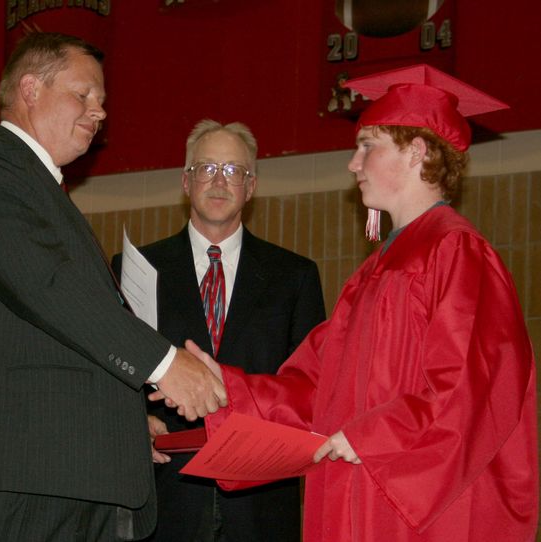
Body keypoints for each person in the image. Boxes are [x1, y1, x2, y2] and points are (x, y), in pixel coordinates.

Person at [179, 65, 539, 541]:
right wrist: (222, 385)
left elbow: (469, 394)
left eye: (369, 145)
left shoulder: (457, 253)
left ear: (417, 151)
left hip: (419, 513)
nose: (353, 163)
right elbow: (314, 386)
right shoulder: (372, 274)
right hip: (359, 494)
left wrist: (371, 434)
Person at [0, 32, 225, 542]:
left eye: (103, 102)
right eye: (84, 95)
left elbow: (63, 335)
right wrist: (164, 364)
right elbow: (46, 286)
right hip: (30, 476)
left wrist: (124, 428)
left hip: (72, 475)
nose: (99, 111)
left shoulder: (39, 188)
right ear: (30, 89)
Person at [112, 119, 326, 542]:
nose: (219, 181)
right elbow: (112, 375)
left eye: (234, 171)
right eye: (207, 168)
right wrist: (136, 423)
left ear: (251, 187)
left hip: (261, 504)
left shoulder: (295, 276)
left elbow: (314, 391)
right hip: (166, 497)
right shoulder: (134, 269)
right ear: (185, 181)